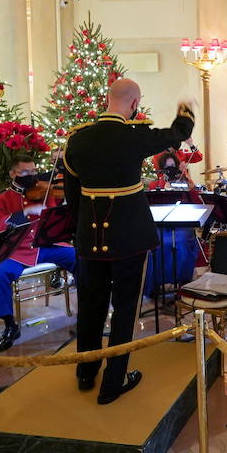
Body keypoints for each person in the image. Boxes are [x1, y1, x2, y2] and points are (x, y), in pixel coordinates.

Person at [63, 78, 196, 404]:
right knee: (124, 310)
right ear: (135, 105)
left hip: (90, 239)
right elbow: (178, 133)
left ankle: (85, 372)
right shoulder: (136, 137)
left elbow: (72, 198)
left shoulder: (77, 140)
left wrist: (80, 234)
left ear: (107, 99)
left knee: (90, 307)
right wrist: (186, 109)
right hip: (130, 241)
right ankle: (114, 381)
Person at [0, 156, 76, 351]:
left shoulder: (45, 191)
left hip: (47, 245)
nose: (32, 176)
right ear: (13, 174)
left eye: (34, 171)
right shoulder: (0, 198)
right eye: (25, 173)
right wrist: (24, 212)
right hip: (19, 251)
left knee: (79, 257)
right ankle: (10, 324)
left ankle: (88, 310)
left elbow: (56, 216)